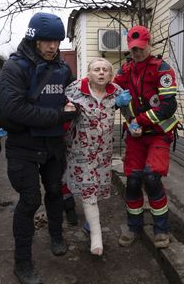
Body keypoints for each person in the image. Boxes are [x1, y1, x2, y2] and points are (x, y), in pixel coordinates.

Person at [0, 12, 79, 284]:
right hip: (24, 147)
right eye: (46, 41)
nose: (52, 47)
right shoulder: (15, 68)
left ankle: (56, 236)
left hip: (54, 145)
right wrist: (57, 116)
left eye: (56, 41)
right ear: (33, 39)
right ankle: (22, 263)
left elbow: (74, 98)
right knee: (30, 200)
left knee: (55, 193)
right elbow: (14, 109)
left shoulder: (63, 69)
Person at [114, 25, 180, 249]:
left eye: (141, 48)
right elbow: (112, 90)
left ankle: (161, 230)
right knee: (132, 181)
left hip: (159, 134)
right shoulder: (126, 70)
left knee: (151, 178)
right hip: (135, 136)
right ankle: (134, 227)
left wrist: (138, 121)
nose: (138, 53)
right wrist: (116, 99)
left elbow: (168, 106)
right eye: (134, 49)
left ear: (149, 45)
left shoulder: (162, 69)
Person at [63, 58, 123, 256]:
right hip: (82, 151)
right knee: (88, 191)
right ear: (88, 73)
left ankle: (90, 222)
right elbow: (62, 107)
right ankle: (97, 237)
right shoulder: (75, 90)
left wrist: (132, 120)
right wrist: (68, 110)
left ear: (110, 75)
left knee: (97, 189)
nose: (101, 73)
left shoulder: (117, 92)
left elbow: (130, 112)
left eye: (105, 70)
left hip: (104, 152)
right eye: (96, 69)